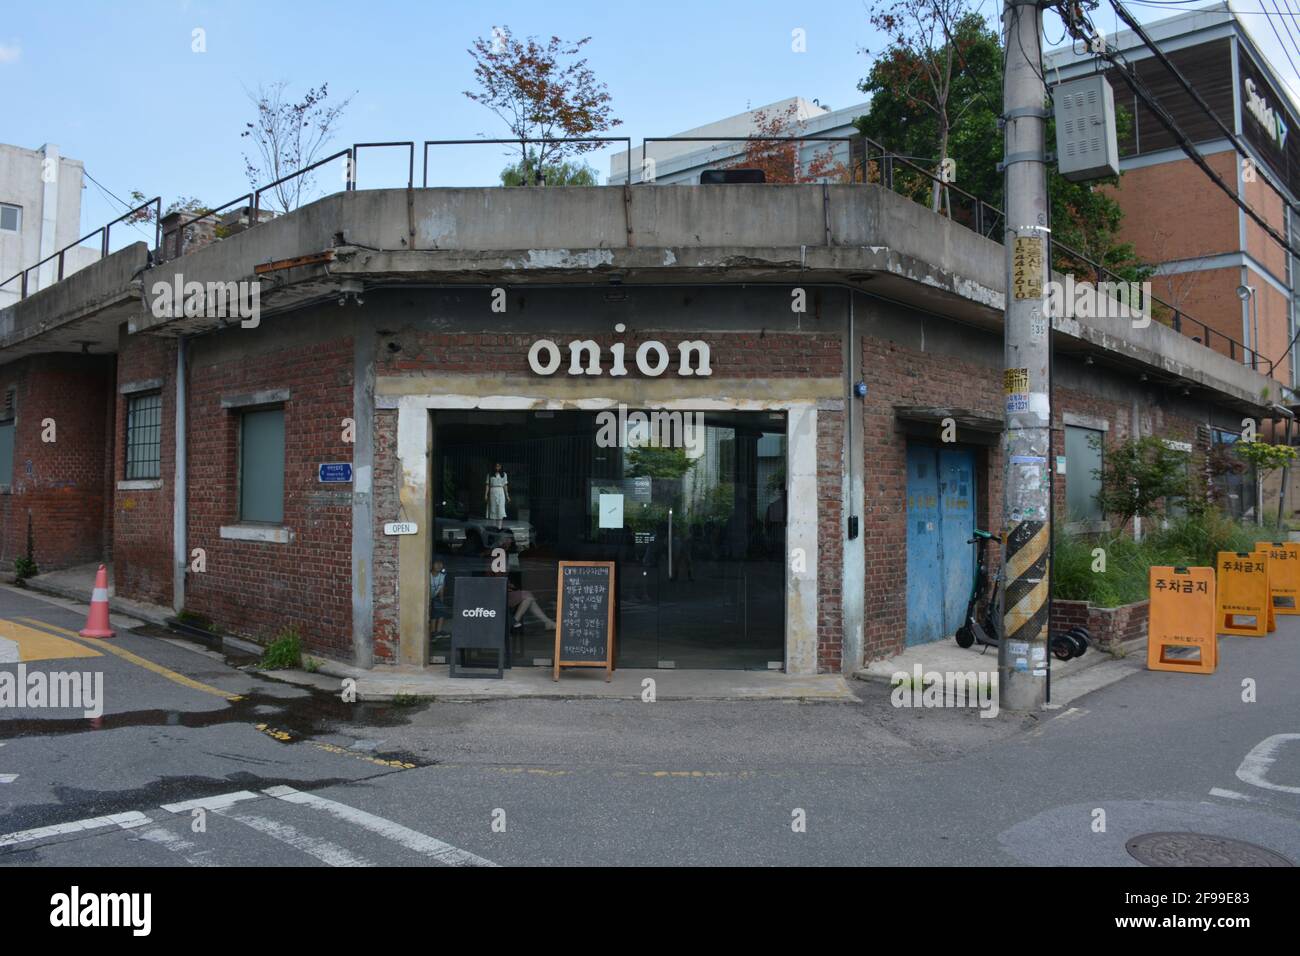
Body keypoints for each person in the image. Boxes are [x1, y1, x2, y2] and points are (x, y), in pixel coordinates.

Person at [429, 559, 450, 638]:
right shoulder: (428, 575)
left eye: (440, 563)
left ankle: (438, 631)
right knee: (434, 610)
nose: (439, 565)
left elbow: (441, 591)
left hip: (434, 597)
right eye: (436, 563)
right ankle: (433, 631)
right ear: (431, 565)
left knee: (441, 609)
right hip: (428, 597)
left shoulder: (442, 576)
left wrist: (442, 603)